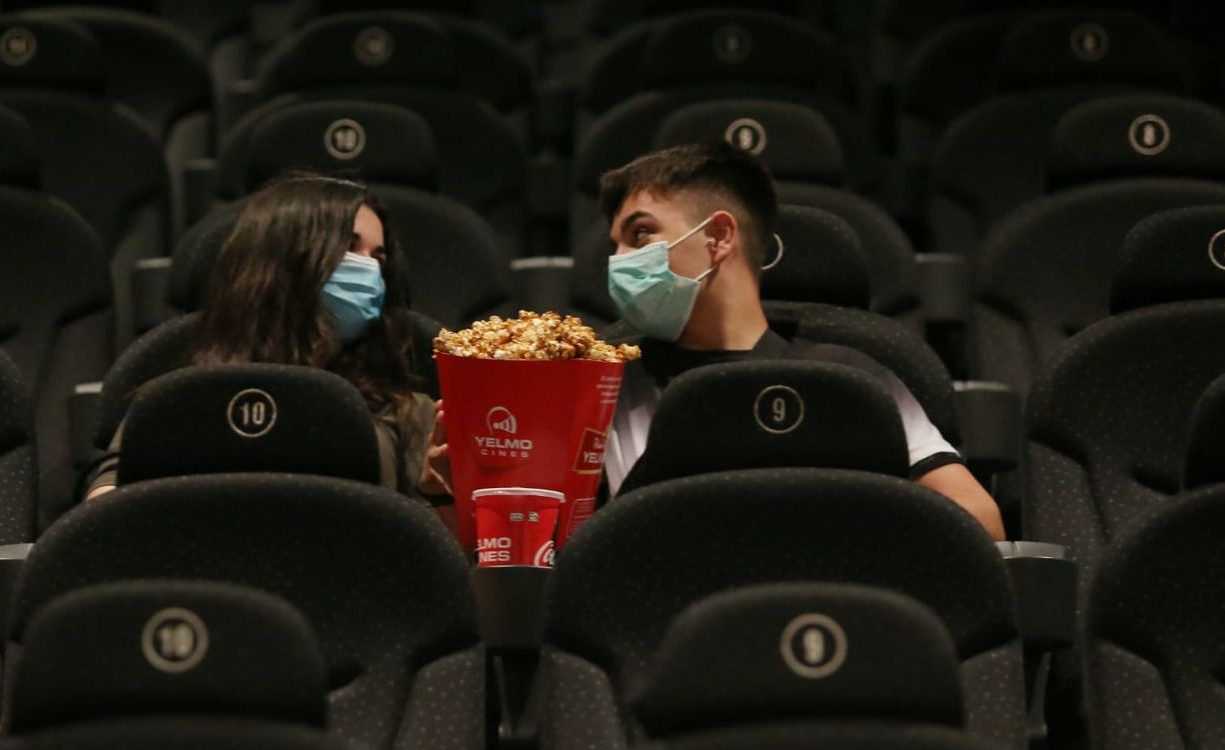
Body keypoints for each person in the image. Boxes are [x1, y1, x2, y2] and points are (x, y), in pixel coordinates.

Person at [420, 141, 1006, 540]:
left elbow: (981, 521)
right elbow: (536, 562)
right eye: (617, 244)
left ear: (718, 237)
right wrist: (453, 497)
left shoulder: (853, 375)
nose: (619, 261)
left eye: (641, 234)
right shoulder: (600, 387)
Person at [85, 173, 436, 500]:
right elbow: (107, 514)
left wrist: (442, 497)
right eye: (348, 248)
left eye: (379, 257)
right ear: (282, 264)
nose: (371, 271)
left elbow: (441, 548)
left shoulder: (408, 412)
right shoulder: (176, 398)